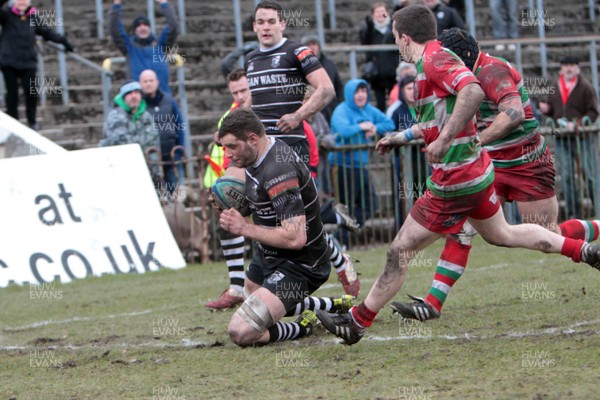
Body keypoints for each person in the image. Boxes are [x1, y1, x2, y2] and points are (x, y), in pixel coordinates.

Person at [315, 5, 600, 345]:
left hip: (457, 179)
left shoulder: (437, 61)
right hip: (479, 173)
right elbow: (441, 117)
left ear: (406, 38)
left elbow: (474, 91)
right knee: (504, 234)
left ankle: (357, 322)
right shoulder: (429, 63)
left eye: (394, 38)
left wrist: (448, 139)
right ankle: (581, 251)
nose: (395, 45)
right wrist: (400, 137)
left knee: (399, 250)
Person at [391, 28, 600, 322]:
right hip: (490, 167)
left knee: (548, 235)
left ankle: (589, 241)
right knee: (462, 230)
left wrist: (480, 140)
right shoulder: (458, 77)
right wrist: (401, 137)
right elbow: (440, 122)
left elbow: (513, 113)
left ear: (461, 57)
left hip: (528, 164)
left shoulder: (491, 71)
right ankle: (432, 303)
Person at [247, 0, 360, 297]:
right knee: (273, 220)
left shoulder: (297, 51)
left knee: (295, 220)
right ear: (254, 26)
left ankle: (329, 263)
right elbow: (253, 105)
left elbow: (326, 89)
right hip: (261, 154)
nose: (266, 26)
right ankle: (261, 282)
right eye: (261, 22)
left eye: (272, 21)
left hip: (289, 149)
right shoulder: (251, 59)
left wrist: (298, 115)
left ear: (282, 24)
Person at [218, 108, 353, 347]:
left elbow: (295, 238)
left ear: (252, 138)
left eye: (232, 147)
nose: (227, 155)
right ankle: (331, 305)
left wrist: (244, 228)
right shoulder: (257, 153)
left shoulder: (278, 172)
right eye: (224, 148)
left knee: (241, 331)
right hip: (269, 254)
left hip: (300, 264)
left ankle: (302, 327)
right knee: (253, 293)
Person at [329, 79, 394, 230]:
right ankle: (343, 240)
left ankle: (345, 235)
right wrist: (362, 126)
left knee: (371, 203)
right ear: (349, 94)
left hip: (360, 165)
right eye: (357, 92)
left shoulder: (369, 110)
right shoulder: (341, 110)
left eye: (363, 91)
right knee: (345, 207)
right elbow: (343, 130)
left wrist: (374, 128)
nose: (360, 95)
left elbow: (390, 124)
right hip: (342, 165)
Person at [539, 56, 599, 219]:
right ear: (561, 69)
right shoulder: (555, 86)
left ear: (577, 68)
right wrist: (547, 109)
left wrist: (578, 124)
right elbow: (554, 110)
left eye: (572, 65)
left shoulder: (585, 86)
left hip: (582, 138)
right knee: (566, 177)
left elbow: (593, 112)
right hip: (562, 138)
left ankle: (597, 209)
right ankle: (574, 214)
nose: (569, 68)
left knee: (590, 174)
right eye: (565, 65)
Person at [0, 0, 74, 129]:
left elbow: (47, 32)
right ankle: (13, 123)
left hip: (28, 61)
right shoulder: (6, 14)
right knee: (12, 94)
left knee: (31, 92)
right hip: (9, 61)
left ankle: (32, 121)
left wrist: (63, 41)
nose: (22, 2)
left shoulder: (33, 16)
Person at [109, 0, 179, 95]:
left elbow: (173, 27)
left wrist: (164, 4)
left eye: (145, 25)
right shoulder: (129, 46)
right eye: (139, 26)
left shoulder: (161, 45)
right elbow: (115, 30)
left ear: (150, 28)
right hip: (138, 100)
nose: (142, 28)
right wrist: (116, 5)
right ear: (135, 30)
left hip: (162, 98)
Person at [139, 69, 185, 193]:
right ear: (140, 84)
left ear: (157, 82)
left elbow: (180, 126)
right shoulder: (139, 105)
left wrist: (179, 152)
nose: (148, 84)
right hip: (150, 161)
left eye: (151, 80)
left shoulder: (169, 101)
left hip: (172, 157)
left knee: (178, 197)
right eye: (145, 81)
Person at [359, 2, 399, 112]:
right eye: (377, 12)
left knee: (395, 99)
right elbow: (364, 42)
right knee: (380, 103)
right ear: (372, 15)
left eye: (383, 12)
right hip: (377, 73)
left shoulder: (394, 28)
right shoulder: (368, 30)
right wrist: (369, 26)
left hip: (392, 71)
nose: (380, 14)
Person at [300, 33, 344, 123]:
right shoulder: (298, 66)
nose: (312, 47)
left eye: (314, 44)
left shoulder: (330, 64)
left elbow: (338, 86)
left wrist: (338, 105)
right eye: (308, 44)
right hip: (309, 112)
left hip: (329, 109)